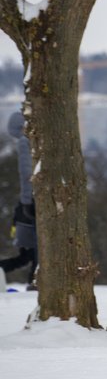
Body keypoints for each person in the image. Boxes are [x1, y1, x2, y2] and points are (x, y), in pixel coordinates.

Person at [1, 110, 38, 289]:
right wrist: (27, 203)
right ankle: (35, 281)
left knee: (29, 250)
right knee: (34, 248)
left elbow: (26, 176)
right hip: (32, 202)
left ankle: (35, 280)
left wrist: (26, 202)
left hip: (29, 202)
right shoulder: (29, 141)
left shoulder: (26, 141)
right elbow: (26, 174)